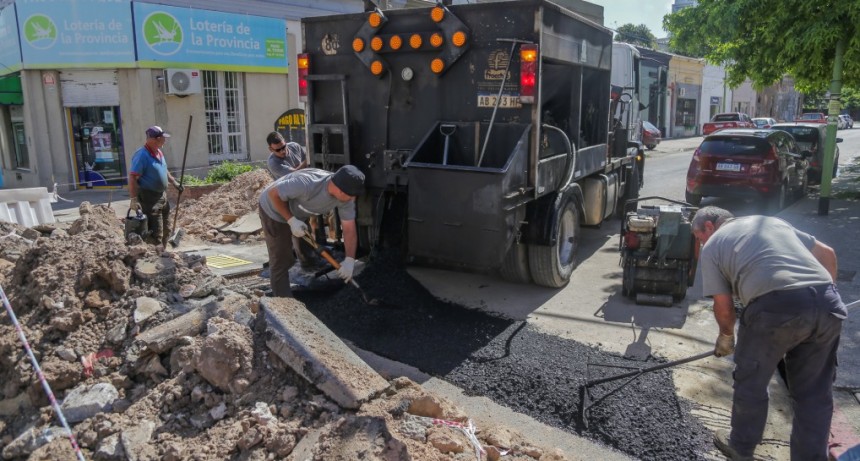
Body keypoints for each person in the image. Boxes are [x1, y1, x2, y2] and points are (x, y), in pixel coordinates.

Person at [692, 206, 846, 461]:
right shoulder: (770, 222)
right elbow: (827, 254)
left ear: (709, 227)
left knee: (751, 379)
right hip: (829, 306)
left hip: (773, 309)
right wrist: (822, 300)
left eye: (698, 238)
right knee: (815, 392)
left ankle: (740, 446)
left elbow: (724, 305)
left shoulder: (713, 245)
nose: (700, 243)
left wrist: (726, 338)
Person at [258, 165, 365, 297]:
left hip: (299, 212)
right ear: (340, 190)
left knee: (306, 243)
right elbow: (273, 194)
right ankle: (284, 300)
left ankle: (308, 263)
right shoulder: (307, 183)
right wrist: (291, 221)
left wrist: (349, 260)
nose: (352, 199)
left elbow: (349, 229)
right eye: (351, 195)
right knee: (282, 259)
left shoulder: (346, 199)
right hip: (273, 209)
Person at [128, 126, 184, 246]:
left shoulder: (158, 151)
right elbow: (132, 177)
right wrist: (133, 199)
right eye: (163, 138)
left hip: (162, 196)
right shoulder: (142, 155)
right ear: (156, 139)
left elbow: (164, 169)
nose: (165, 141)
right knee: (156, 230)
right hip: (149, 199)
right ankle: (156, 256)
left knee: (166, 228)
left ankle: (164, 252)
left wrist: (174, 182)